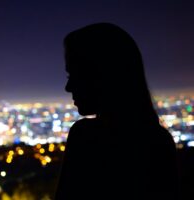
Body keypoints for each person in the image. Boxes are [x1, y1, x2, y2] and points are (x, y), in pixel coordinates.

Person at [54, 23, 179, 200]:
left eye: (75, 75)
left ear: (100, 75)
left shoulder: (86, 136)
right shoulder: (160, 141)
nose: (68, 87)